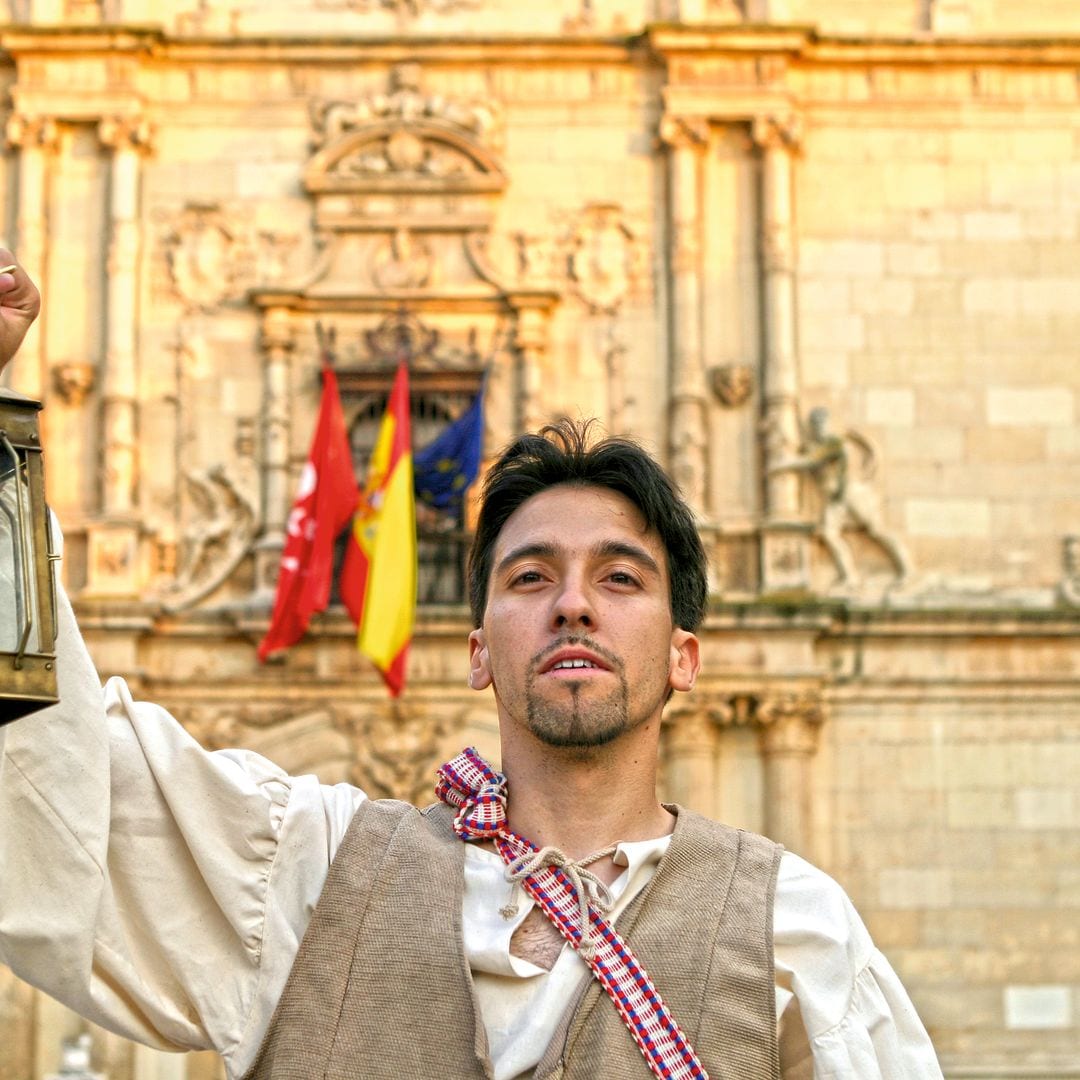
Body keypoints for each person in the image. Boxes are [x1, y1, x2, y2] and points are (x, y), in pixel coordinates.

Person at [0, 252, 943, 1079]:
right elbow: (62, 779)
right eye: (530, 576)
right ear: (480, 650)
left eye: (621, 577)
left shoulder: (797, 933)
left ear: (684, 656)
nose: (573, 602)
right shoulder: (310, 875)